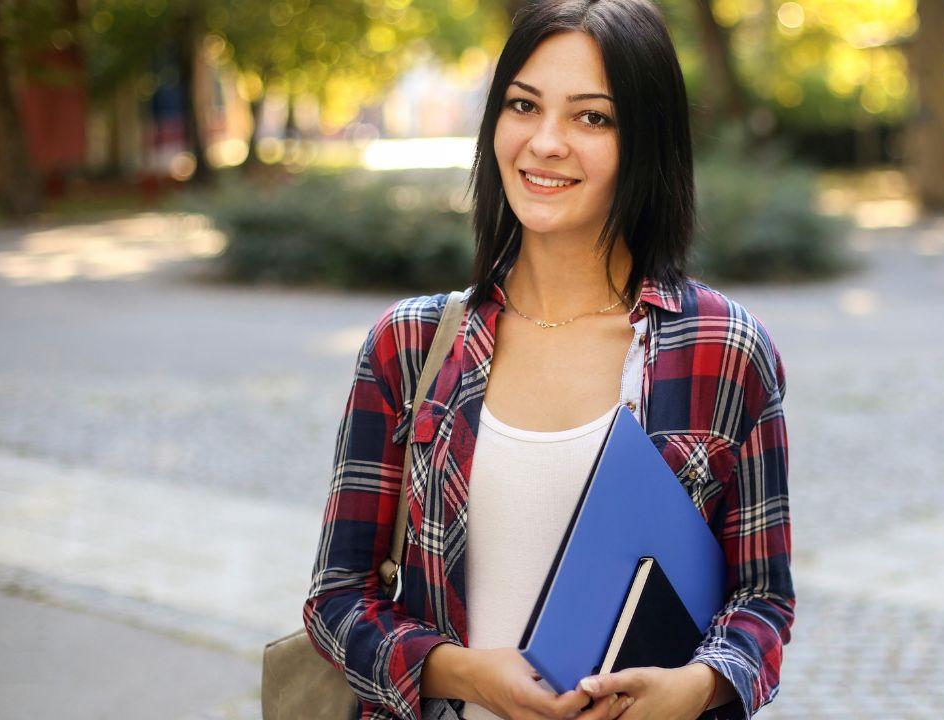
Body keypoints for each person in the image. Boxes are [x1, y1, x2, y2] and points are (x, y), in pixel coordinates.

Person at [302, 0, 794, 718]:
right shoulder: (407, 346)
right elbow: (337, 600)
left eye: (592, 117)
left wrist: (693, 690)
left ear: (646, 140)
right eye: (523, 106)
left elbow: (762, 599)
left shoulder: (726, 351)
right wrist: (462, 674)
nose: (547, 142)